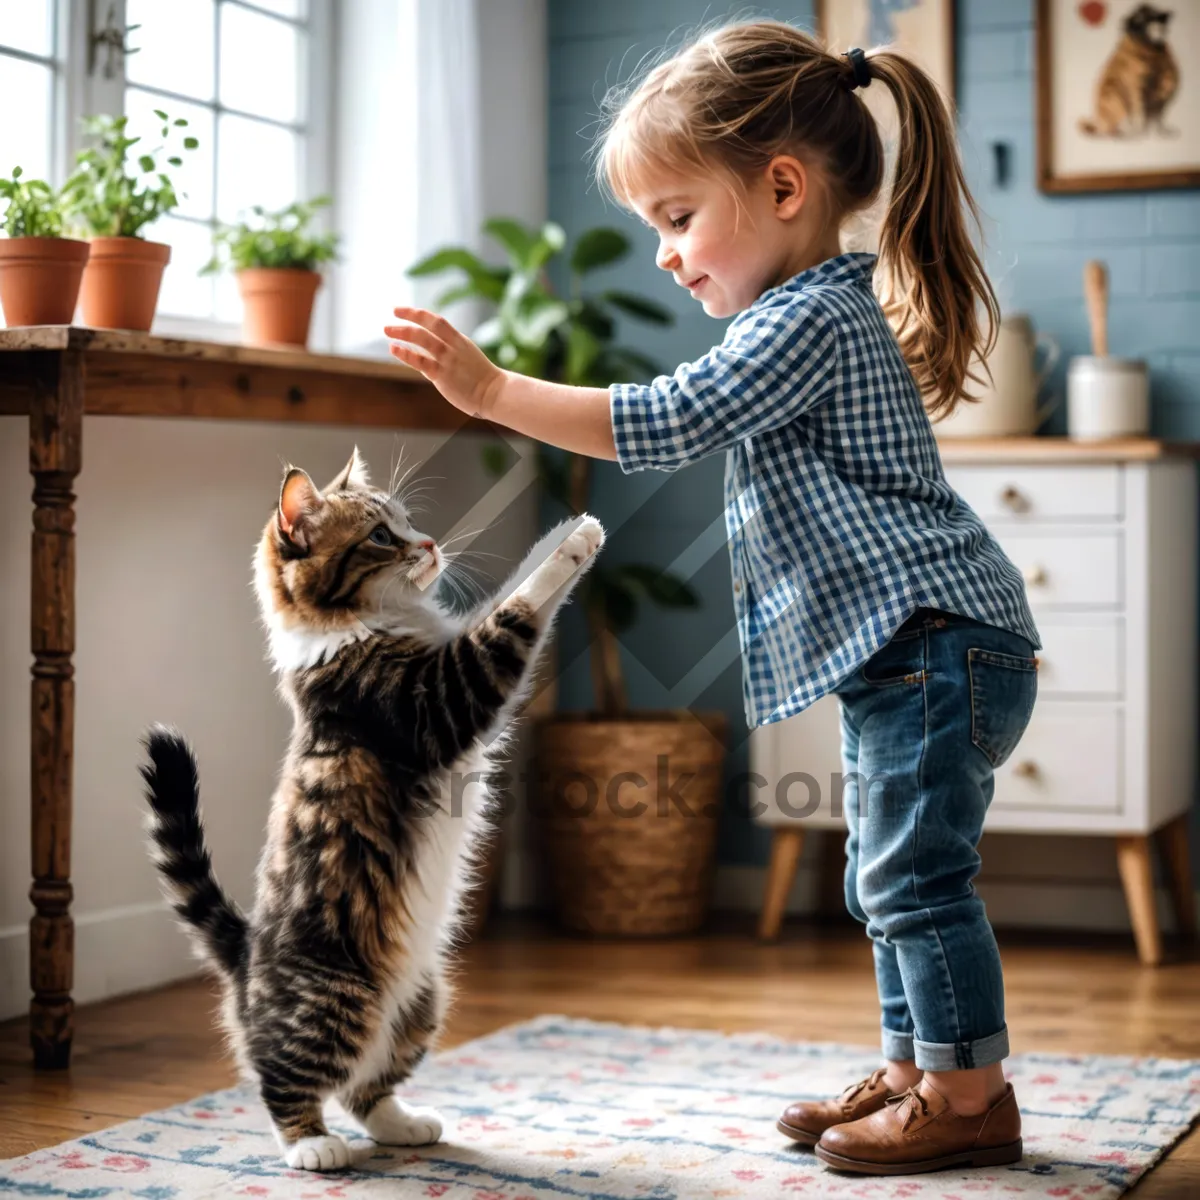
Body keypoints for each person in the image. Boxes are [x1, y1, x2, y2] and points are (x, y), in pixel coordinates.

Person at [383, 19, 1039, 1177]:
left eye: (679, 219)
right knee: (884, 871)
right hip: (924, 644)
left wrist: (490, 389)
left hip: (937, 641)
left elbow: (666, 418)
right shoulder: (808, 313)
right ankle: (916, 1070)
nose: (667, 258)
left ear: (783, 186)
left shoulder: (805, 319)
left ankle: (970, 1094)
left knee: (913, 874)